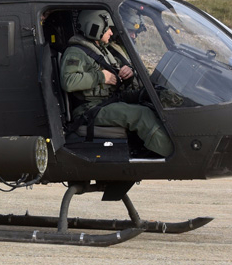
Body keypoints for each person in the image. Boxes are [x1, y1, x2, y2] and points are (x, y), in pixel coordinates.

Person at [60, 10, 173, 157]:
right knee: (142, 114)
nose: (111, 33)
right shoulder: (75, 52)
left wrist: (127, 74)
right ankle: (172, 155)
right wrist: (101, 77)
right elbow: (68, 82)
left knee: (149, 103)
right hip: (89, 109)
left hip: (107, 102)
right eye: (108, 28)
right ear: (95, 27)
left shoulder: (101, 50)